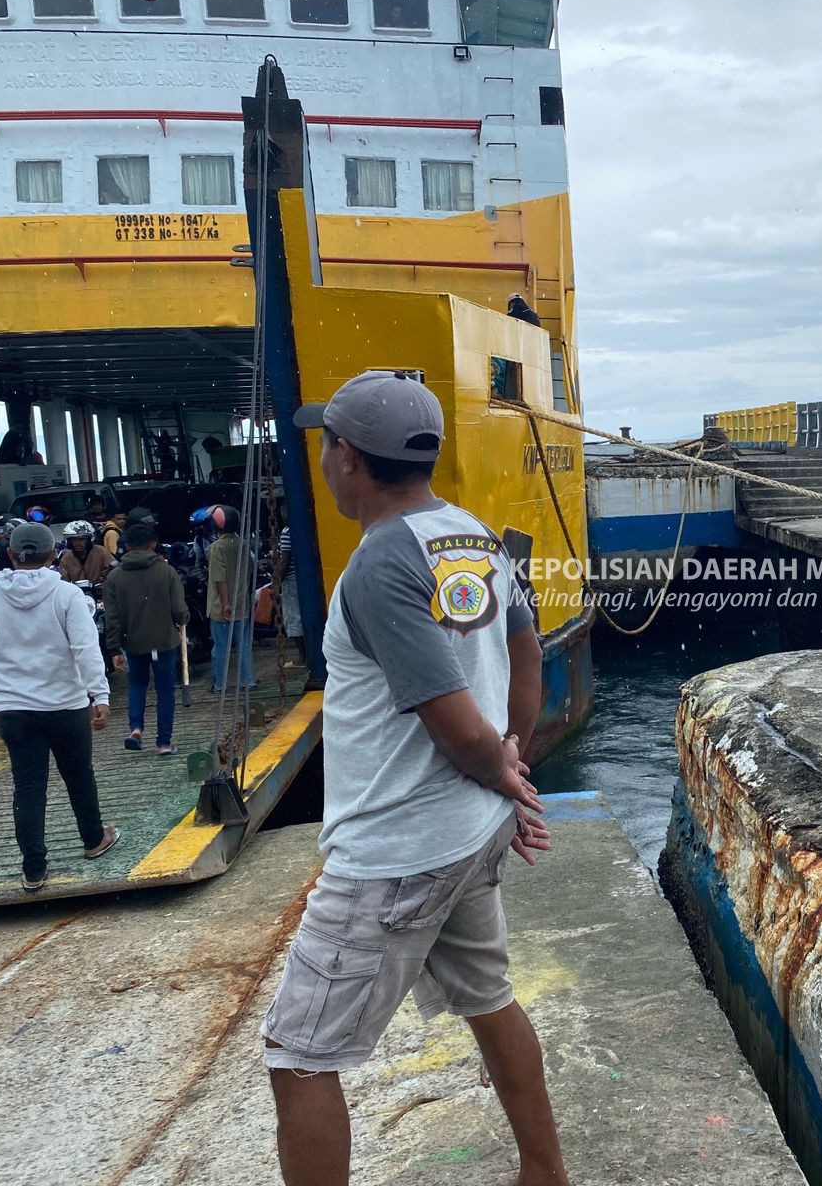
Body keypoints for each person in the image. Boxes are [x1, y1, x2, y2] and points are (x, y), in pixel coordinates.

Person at [264, 370, 561, 1186]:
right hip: (464, 835)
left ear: (349, 459)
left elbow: (457, 728)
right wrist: (515, 764)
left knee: (298, 1056)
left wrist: (505, 777)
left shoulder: (376, 567)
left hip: (396, 852)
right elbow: (527, 652)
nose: (324, 462)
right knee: (489, 997)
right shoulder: (472, 535)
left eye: (328, 446)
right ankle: (545, 1172)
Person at [0, 523, 117, 892]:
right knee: (78, 775)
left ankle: (33, 869)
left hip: (15, 709)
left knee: (28, 786)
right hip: (66, 705)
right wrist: (100, 695)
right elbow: (85, 648)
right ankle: (94, 840)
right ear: (53, 556)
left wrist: (3, 683)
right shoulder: (66, 595)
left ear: (12, 555)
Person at [104, 522, 188, 757]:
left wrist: (114, 650)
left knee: (137, 685)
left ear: (127, 546)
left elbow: (112, 617)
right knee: (165, 690)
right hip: (164, 641)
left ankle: (136, 729)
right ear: (153, 544)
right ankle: (163, 743)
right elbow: (179, 609)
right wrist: (183, 618)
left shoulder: (114, 577)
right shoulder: (166, 571)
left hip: (133, 642)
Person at [205, 505, 256, 693]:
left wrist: (226, 603)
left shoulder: (216, 548)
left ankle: (221, 684)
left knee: (221, 647)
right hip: (242, 602)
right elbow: (250, 568)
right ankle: (248, 680)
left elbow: (220, 578)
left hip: (222, 606)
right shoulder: (243, 543)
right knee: (243, 643)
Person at [270, 523, 305, 667]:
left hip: (290, 580)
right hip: (302, 578)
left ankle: (302, 658)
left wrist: (276, 583)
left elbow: (284, 560)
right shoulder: (302, 528)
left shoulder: (286, 531)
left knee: (293, 618)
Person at [57, 520, 115, 586]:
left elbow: (114, 571)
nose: (77, 543)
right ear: (70, 541)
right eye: (74, 540)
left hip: (100, 592)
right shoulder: (66, 558)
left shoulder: (101, 551)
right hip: (77, 593)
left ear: (89, 540)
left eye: (81, 539)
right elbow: (64, 581)